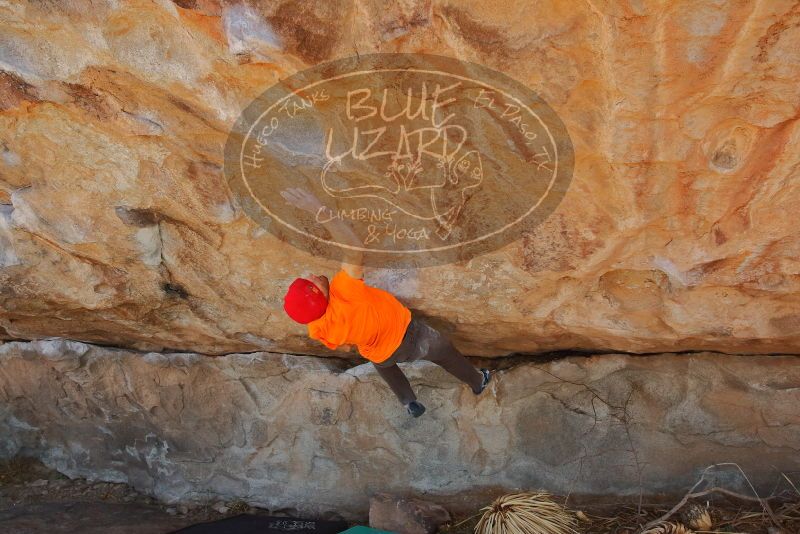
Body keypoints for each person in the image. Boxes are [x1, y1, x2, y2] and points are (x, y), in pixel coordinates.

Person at [279, 188, 491, 417]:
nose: (312, 276)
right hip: (408, 336)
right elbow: (354, 248)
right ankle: (478, 381)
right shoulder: (344, 292)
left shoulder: (317, 327)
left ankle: (409, 402)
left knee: (386, 367)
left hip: (378, 352)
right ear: (322, 298)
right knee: (444, 351)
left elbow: (334, 335)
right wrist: (317, 207)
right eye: (312, 285)